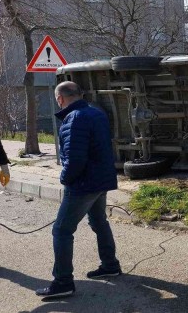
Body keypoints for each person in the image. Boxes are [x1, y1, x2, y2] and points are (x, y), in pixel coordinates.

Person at [35, 81, 121, 298]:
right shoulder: (95, 113)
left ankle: (63, 282)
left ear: (60, 99)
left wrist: (65, 178)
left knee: (61, 230)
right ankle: (110, 265)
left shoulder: (74, 119)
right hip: (101, 180)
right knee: (99, 221)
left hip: (84, 184)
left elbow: (75, 159)